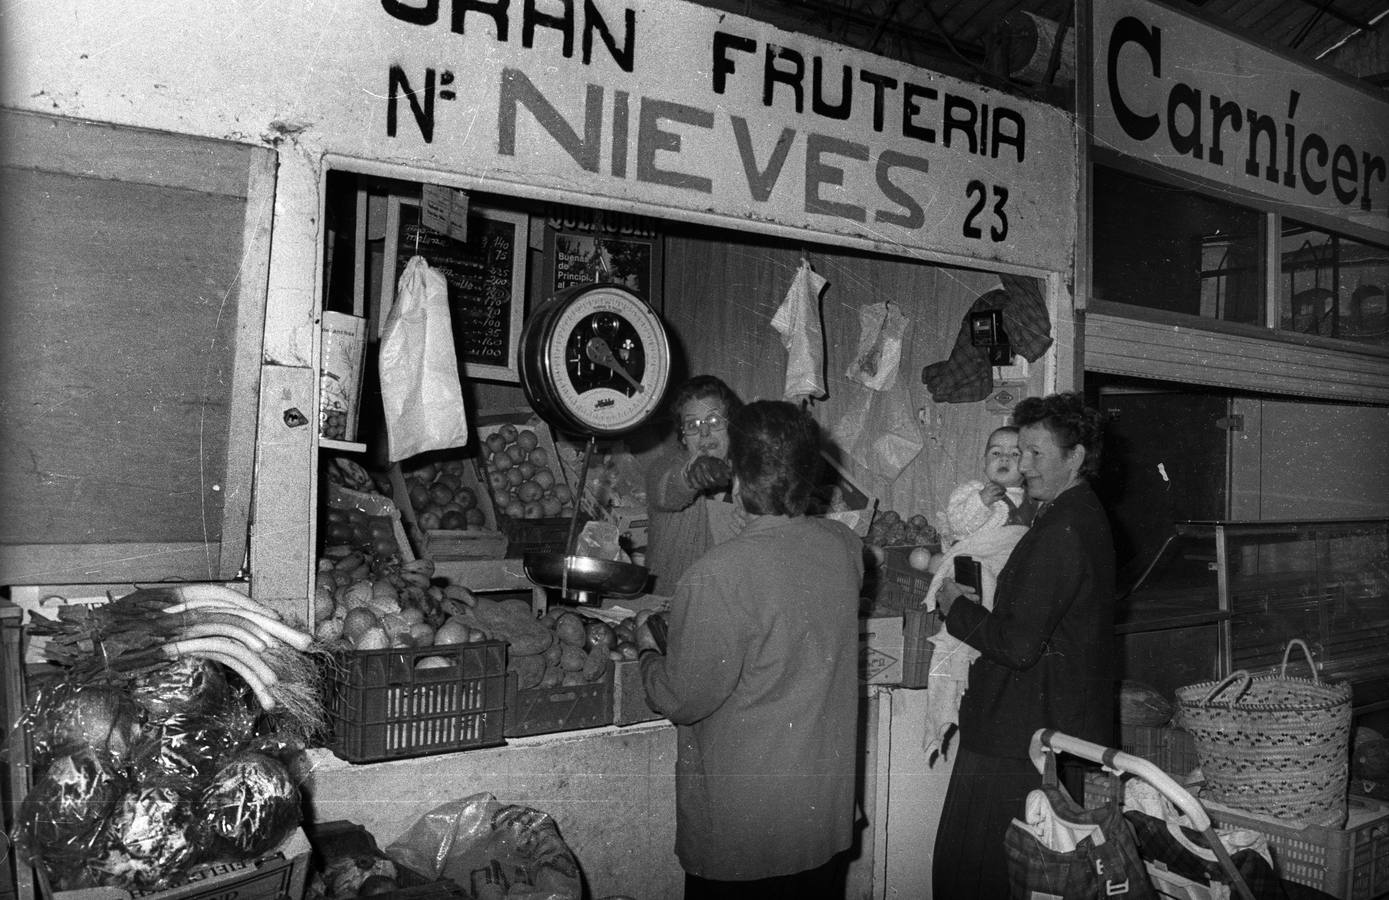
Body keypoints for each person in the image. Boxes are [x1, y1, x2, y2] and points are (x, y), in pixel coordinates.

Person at [637, 401, 863, 899]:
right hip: (819, 817)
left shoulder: (717, 575)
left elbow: (681, 697)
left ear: (737, 474)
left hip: (746, 834)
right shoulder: (845, 547)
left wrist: (647, 652)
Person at [932, 392, 1117, 900]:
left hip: (1021, 735)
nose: (1023, 465)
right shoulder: (1069, 514)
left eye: (1036, 454)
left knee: (978, 874)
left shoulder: (1063, 527)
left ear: (1075, 456)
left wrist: (956, 608)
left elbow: (1016, 646)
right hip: (1041, 729)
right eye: (1020, 452)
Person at [921, 426, 1035, 761]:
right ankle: (964, 654)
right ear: (984, 459)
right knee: (976, 597)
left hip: (1003, 574)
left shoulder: (1031, 501)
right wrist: (981, 503)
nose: (1004, 459)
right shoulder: (972, 490)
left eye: (1014, 454)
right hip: (972, 567)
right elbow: (958, 526)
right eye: (995, 452)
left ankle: (971, 651)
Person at [642, 375, 744, 591]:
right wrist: (690, 476)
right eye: (692, 424)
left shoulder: (748, 479)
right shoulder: (664, 468)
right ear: (683, 436)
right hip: (668, 607)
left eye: (714, 421)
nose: (704, 432)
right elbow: (666, 488)